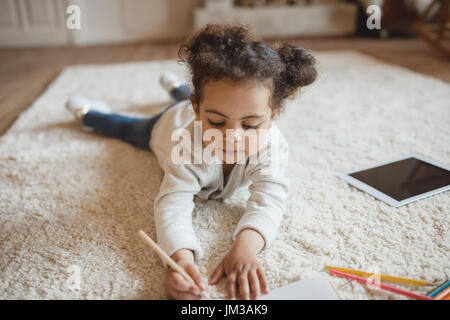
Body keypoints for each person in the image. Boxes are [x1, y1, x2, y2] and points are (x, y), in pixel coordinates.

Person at [65, 22, 317, 300]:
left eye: (251, 124)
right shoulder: (182, 144)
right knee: (127, 129)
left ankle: (176, 87)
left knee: (214, 98)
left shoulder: (273, 144)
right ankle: (88, 113)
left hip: (199, 104)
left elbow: (271, 197)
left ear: (273, 115)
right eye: (217, 123)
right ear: (197, 111)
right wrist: (181, 260)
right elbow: (173, 203)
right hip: (164, 125)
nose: (232, 137)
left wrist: (247, 247)